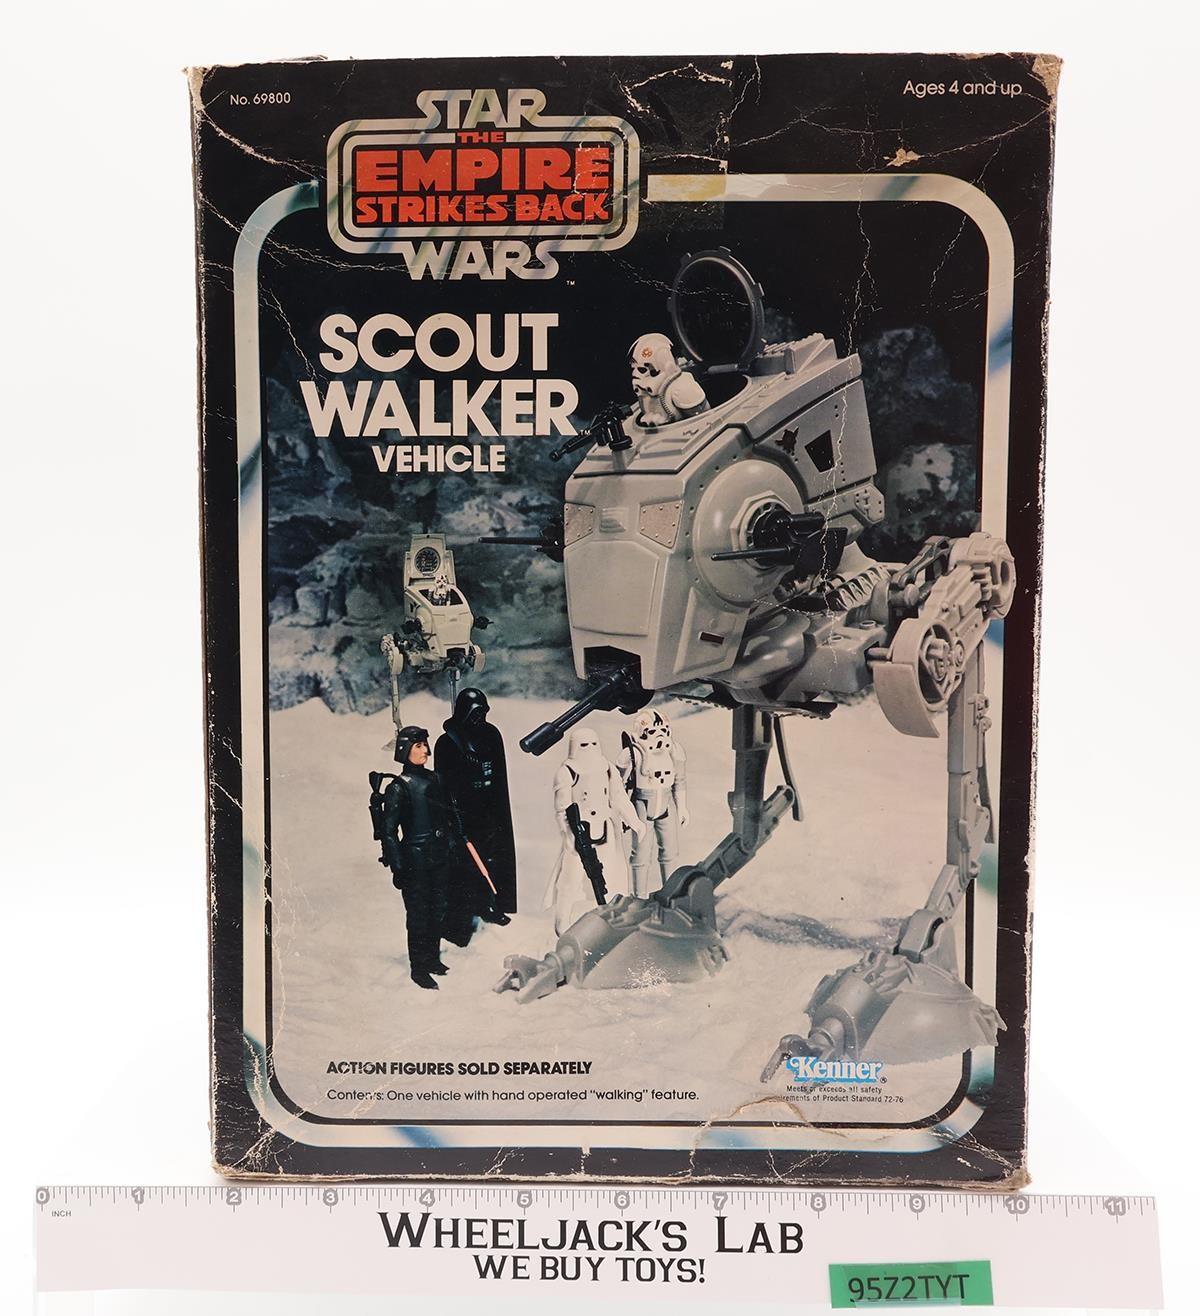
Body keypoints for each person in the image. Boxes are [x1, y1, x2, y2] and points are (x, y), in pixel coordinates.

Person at [543, 724, 645, 935]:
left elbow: (619, 798)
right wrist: (569, 836)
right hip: (579, 835)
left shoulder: (607, 768)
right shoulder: (567, 772)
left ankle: (615, 917)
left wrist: (635, 822)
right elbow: (562, 809)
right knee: (570, 879)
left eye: (593, 743)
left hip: (605, 831)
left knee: (612, 876)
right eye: (583, 744)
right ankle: (562, 922)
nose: (589, 748)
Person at [377, 726, 454, 990]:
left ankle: (432, 958)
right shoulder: (399, 788)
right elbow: (389, 831)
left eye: (425, 745)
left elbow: (446, 816)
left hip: (439, 855)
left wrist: (450, 843)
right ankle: (418, 967)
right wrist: (398, 866)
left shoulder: (435, 779)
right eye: (418, 745)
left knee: (438, 909)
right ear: (404, 750)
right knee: (419, 914)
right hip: (415, 860)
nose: (425, 750)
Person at [435, 688, 518, 919]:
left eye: (482, 712)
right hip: (463, 809)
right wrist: (452, 816)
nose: (479, 717)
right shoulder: (447, 741)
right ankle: (471, 908)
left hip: (490, 806)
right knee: (467, 858)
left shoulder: (491, 734)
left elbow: (498, 772)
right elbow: (444, 784)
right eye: (475, 712)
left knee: (494, 854)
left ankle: (494, 902)